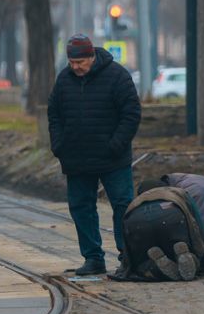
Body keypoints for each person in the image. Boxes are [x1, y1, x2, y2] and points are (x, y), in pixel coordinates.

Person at [47, 34, 141, 276]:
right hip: (76, 158)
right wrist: (59, 145)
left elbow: (131, 114)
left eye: (80, 62)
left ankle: (127, 256)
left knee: (122, 205)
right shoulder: (64, 79)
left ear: (92, 57)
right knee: (81, 207)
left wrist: (116, 145)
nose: (75, 67)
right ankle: (93, 258)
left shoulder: (117, 76)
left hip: (113, 158)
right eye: (71, 62)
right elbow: (54, 113)